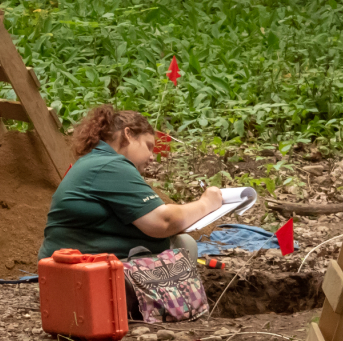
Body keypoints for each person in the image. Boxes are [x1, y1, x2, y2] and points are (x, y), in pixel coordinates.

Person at [41, 105, 221, 323]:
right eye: (148, 146)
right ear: (128, 134)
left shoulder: (94, 162)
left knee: (180, 242)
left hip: (63, 273)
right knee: (183, 244)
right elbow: (163, 222)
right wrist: (207, 203)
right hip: (82, 277)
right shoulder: (111, 165)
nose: (152, 157)